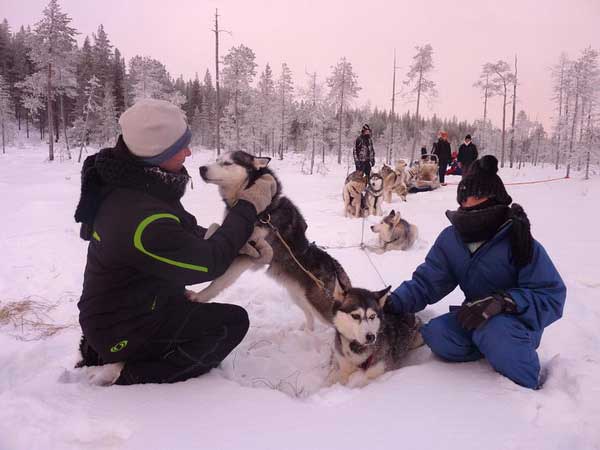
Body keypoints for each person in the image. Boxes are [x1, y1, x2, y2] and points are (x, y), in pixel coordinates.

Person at [74, 99, 276, 386]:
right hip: (122, 327)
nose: (189, 151)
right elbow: (208, 263)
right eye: (180, 146)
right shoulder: (139, 217)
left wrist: (240, 243)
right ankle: (130, 373)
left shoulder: (139, 186)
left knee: (197, 310)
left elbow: (185, 233)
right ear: (155, 152)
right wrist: (247, 206)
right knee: (231, 324)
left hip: (130, 309)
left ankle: (106, 350)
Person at [385, 155, 566, 389]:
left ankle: (529, 384)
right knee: (437, 334)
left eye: (478, 196)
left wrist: (504, 302)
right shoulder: (452, 238)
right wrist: (393, 302)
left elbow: (551, 296)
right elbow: (428, 281)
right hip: (474, 315)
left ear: (496, 198)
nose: (470, 201)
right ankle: (490, 348)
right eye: (465, 196)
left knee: (495, 333)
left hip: (515, 322)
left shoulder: (519, 240)